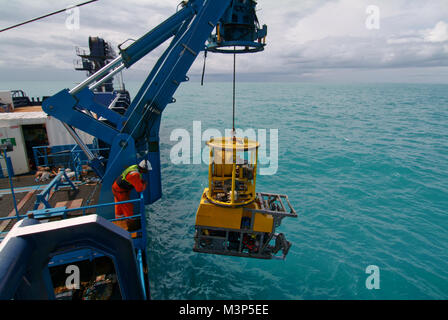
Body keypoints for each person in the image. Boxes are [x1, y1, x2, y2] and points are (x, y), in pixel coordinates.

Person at [112, 160, 151, 230]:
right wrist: (144, 184)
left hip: (117, 188)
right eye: (147, 170)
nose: (147, 172)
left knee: (119, 206)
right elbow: (139, 189)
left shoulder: (135, 167)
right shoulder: (135, 174)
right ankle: (130, 226)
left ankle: (119, 222)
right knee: (128, 207)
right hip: (121, 191)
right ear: (143, 169)